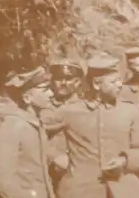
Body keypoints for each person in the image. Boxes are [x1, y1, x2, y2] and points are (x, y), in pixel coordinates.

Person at [42, 53, 139, 198]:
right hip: (80, 190)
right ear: (96, 84)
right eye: (114, 82)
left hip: (123, 189)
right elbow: (36, 131)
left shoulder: (130, 111)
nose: (120, 85)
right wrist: (54, 156)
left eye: (120, 81)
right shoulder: (70, 110)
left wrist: (125, 160)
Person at [0, 67, 56, 198]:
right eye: (45, 90)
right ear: (27, 98)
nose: (51, 93)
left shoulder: (35, 123)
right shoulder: (14, 125)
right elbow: (3, 178)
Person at [46, 58, 85, 191]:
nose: (63, 83)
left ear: (78, 82)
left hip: (75, 177)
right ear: (52, 81)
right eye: (58, 78)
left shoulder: (86, 109)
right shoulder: (41, 108)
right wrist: (53, 157)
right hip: (46, 173)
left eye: (68, 79)